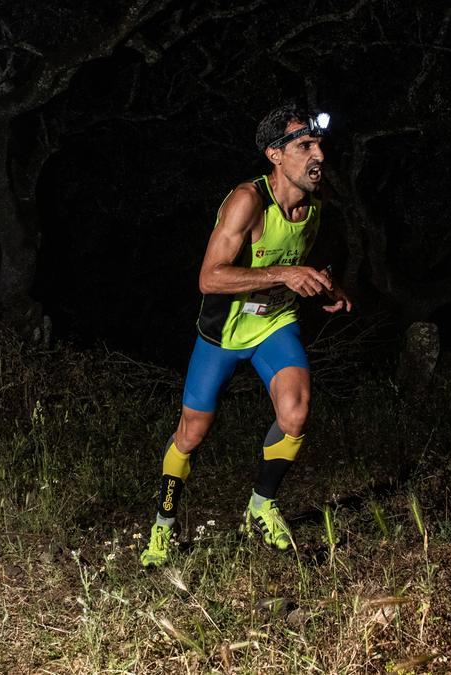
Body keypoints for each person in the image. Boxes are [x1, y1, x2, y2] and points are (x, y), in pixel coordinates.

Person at [140, 102, 352, 568]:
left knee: (295, 414)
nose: (319, 155)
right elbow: (209, 278)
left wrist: (325, 286)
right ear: (275, 155)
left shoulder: (316, 204)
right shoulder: (247, 201)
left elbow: (300, 261)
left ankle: (261, 505)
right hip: (224, 334)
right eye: (305, 146)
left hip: (275, 325)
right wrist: (283, 274)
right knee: (191, 435)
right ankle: (163, 525)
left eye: (319, 145)